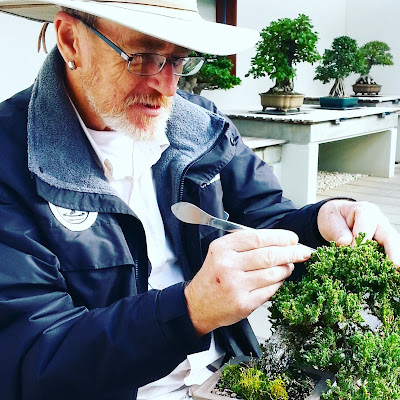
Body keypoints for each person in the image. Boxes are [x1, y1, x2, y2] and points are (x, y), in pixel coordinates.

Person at [0, 1, 399, 399]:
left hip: (229, 375)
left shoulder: (201, 127)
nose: (168, 88)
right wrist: (190, 311)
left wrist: (323, 222)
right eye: (144, 58)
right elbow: (34, 358)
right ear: (71, 41)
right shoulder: (10, 159)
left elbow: (267, 218)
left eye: (179, 60)